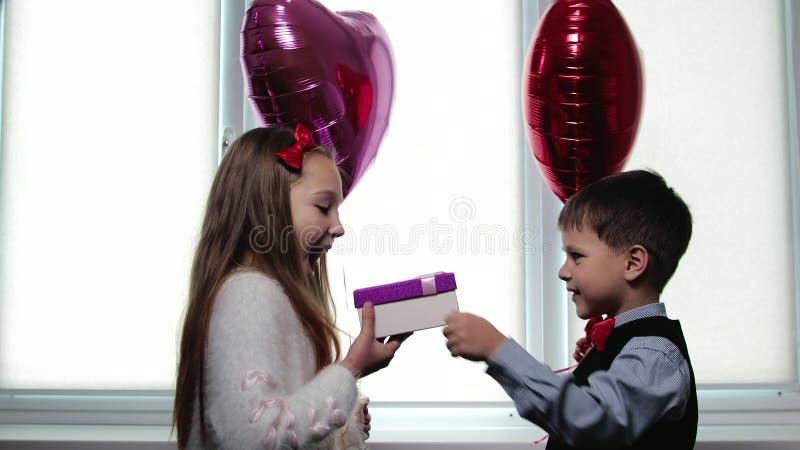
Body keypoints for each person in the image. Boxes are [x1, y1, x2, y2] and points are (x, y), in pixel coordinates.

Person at [174, 125, 409, 450]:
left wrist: (347, 420)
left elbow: (277, 415)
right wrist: (350, 368)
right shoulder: (249, 295)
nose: (339, 227)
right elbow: (254, 437)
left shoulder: (261, 295)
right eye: (323, 207)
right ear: (267, 209)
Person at [443, 169, 697, 449]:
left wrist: (498, 350)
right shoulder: (631, 346)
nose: (563, 271)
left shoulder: (655, 355)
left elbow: (593, 421)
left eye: (577, 256)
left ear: (633, 263)